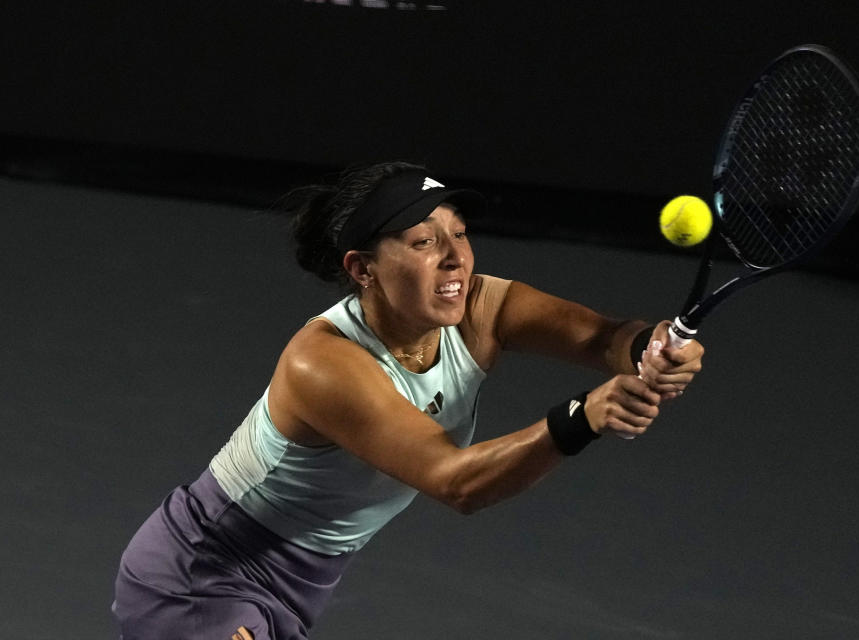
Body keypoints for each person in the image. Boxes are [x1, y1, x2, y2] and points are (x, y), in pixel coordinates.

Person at [112, 162, 705, 639]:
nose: (455, 257)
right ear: (363, 269)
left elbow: (606, 338)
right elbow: (456, 482)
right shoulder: (324, 362)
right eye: (424, 241)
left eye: (460, 233)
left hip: (300, 585)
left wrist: (649, 348)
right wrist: (584, 418)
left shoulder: (481, 305)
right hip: (202, 574)